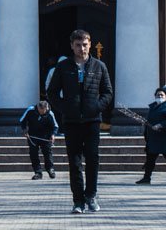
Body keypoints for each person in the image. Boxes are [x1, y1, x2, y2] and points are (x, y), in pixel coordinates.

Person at [45, 29, 113, 213]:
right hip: (72, 121)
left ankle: (90, 196)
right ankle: (78, 201)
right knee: (74, 162)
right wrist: (64, 108)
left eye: (84, 44)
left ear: (90, 44)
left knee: (92, 158)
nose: (81, 48)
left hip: (92, 121)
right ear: (72, 46)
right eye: (78, 45)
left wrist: (97, 107)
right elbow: (51, 93)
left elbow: (108, 92)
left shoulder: (99, 66)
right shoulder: (64, 67)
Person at [136, 88, 166, 185]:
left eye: (162, 95)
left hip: (165, 137)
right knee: (150, 158)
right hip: (154, 137)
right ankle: (146, 178)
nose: (160, 97)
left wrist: (160, 125)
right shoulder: (153, 107)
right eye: (158, 95)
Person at [19, 101, 59, 180]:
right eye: (40, 111)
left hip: (46, 136)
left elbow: (55, 126)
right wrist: (25, 130)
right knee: (33, 154)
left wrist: (53, 135)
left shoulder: (50, 113)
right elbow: (22, 121)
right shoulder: (30, 110)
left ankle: (50, 169)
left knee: (47, 153)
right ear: (37, 108)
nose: (42, 113)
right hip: (33, 136)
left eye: (43, 111)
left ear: (46, 108)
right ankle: (38, 172)